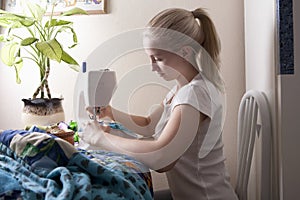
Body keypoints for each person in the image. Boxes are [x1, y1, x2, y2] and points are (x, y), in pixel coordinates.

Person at [80, 8, 238, 200]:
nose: (152, 66)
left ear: (185, 52)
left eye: (158, 58)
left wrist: (101, 139)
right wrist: (110, 112)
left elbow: (163, 157)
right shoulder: (180, 90)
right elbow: (148, 125)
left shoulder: (195, 95)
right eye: (150, 58)